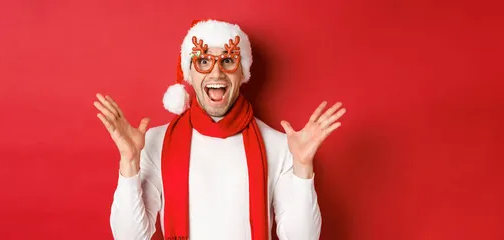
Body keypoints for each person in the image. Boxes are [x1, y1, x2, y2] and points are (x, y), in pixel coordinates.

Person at [94, 19, 346, 240]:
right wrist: (129, 162)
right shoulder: (155, 142)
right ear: (189, 74)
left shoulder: (279, 145)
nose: (216, 72)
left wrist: (303, 167)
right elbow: (129, 237)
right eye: (203, 61)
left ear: (242, 73)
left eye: (227, 60)